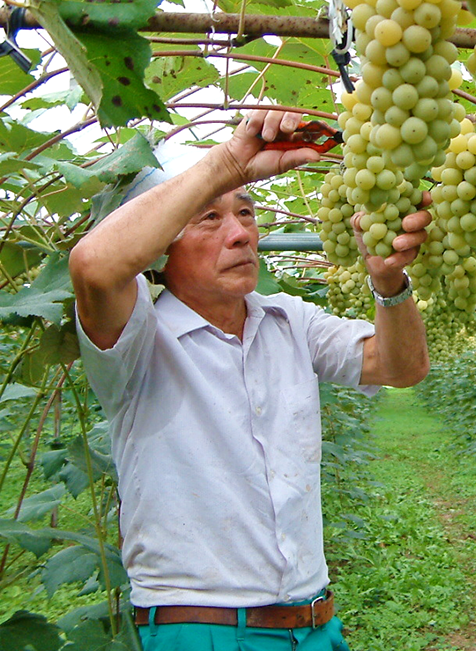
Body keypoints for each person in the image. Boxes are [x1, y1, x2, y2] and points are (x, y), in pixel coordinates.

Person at [70, 109, 431, 651]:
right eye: (208, 219)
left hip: (314, 623)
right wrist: (229, 163)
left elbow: (400, 366)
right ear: (161, 248)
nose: (240, 234)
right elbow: (95, 265)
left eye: (246, 212)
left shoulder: (291, 321)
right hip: (200, 631)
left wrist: (390, 283)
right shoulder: (136, 340)